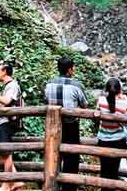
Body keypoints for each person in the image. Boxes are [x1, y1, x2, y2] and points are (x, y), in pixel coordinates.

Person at [44, 57, 88, 191]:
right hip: (71, 125)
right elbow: (85, 105)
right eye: (73, 68)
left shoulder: (49, 84)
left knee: (53, 154)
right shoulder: (76, 85)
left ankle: (52, 184)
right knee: (72, 157)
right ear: (70, 69)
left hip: (52, 125)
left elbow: (45, 99)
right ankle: (69, 186)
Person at [95, 78, 127, 180]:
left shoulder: (101, 100)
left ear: (106, 89)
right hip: (118, 139)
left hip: (103, 139)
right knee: (114, 169)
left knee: (104, 168)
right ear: (119, 90)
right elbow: (126, 124)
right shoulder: (125, 103)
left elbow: (97, 115)